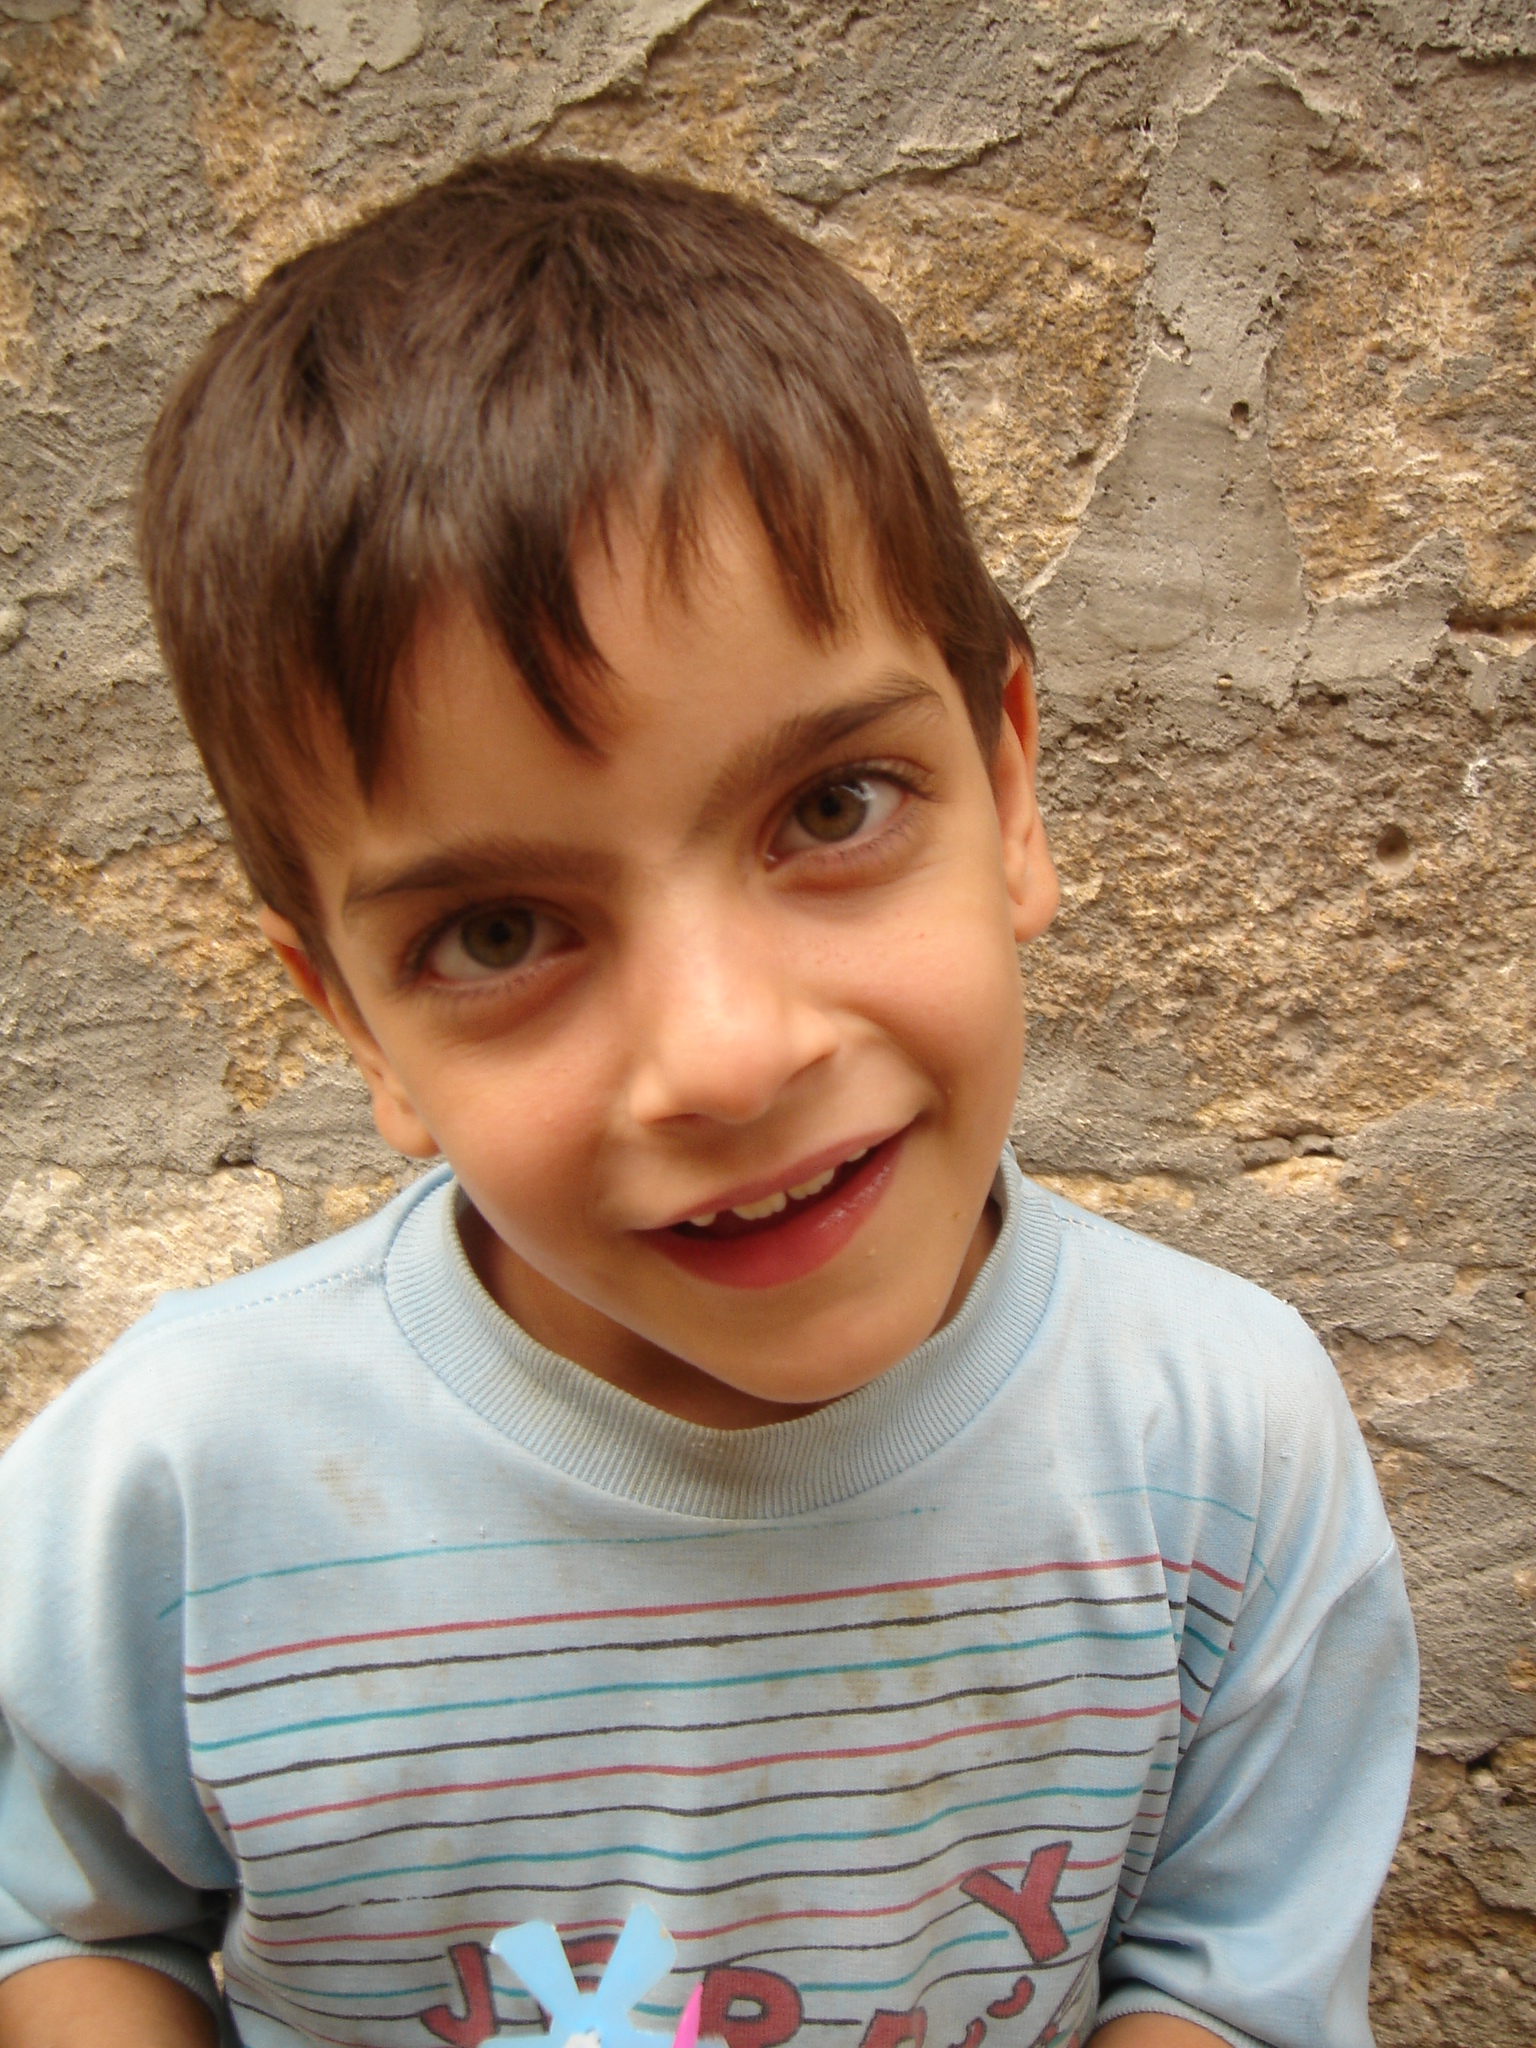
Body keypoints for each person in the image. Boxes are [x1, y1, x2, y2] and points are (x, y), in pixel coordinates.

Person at [0, 154, 1416, 2048]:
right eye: (503, 930)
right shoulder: (167, 1490)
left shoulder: (1221, 1451)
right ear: (353, 1023)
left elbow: (1227, 1982)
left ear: (1010, 795)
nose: (730, 1056)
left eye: (831, 810)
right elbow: (59, 1920)